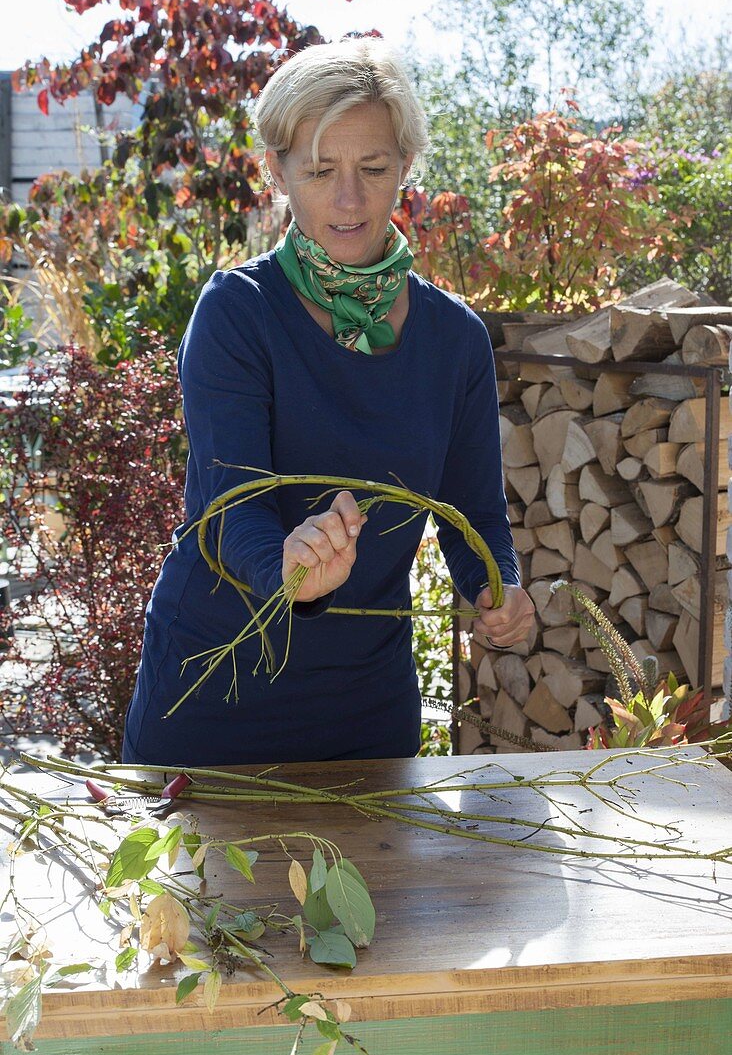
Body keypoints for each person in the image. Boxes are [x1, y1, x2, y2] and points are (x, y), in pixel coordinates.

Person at [121, 37, 535, 768]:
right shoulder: (236, 314)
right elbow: (232, 508)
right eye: (319, 171)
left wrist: (496, 591)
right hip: (215, 692)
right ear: (276, 172)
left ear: (406, 166)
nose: (350, 199)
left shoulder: (454, 339)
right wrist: (290, 568)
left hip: (366, 706)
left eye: (373, 168)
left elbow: (474, 517)